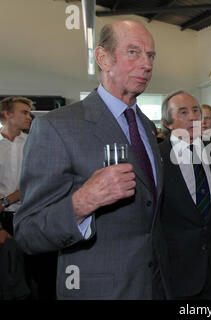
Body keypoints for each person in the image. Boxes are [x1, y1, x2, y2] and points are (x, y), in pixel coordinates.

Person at [14, 20, 169, 299]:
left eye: (151, 55)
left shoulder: (145, 126)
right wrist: (83, 202)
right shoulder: (56, 127)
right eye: (133, 52)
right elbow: (28, 232)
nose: (147, 64)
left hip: (154, 285)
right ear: (103, 58)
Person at [159, 91, 211, 299]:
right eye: (183, 112)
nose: (193, 117)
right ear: (168, 122)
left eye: (195, 111)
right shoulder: (157, 158)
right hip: (180, 273)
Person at [0, 97, 33, 300]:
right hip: (3, 222)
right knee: (8, 276)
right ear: (7, 114)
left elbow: (36, 182)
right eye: (24, 112)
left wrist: (6, 201)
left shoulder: (32, 143)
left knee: (34, 274)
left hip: (30, 217)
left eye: (29, 113)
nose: (29, 117)